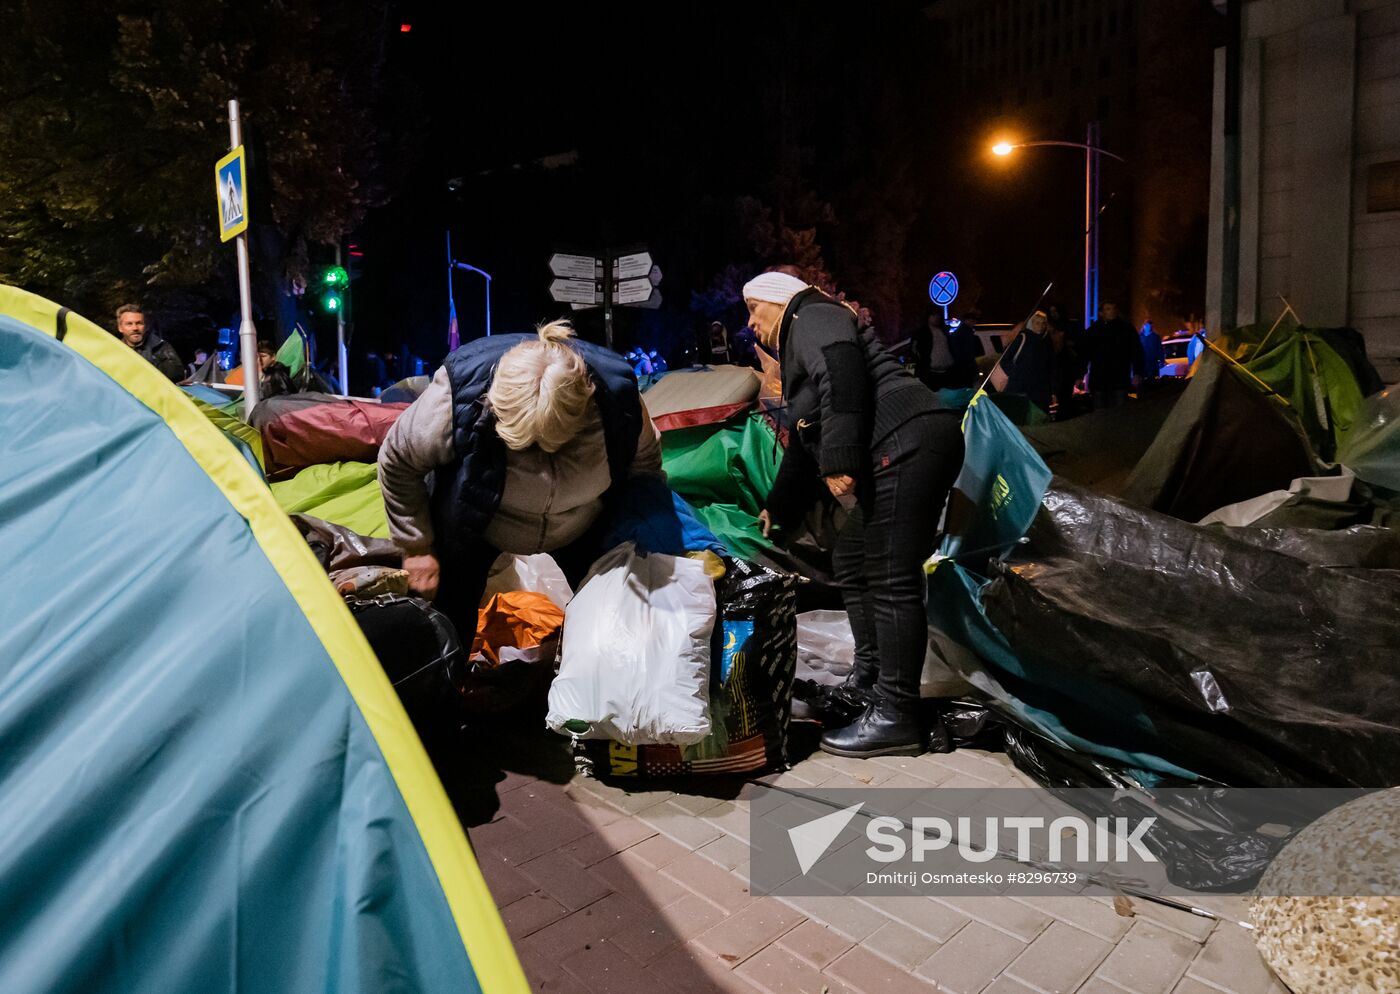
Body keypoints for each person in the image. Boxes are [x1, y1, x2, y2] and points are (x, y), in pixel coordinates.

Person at [747, 271, 964, 758]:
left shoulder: (812, 313)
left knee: (890, 575)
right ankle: (870, 680)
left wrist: (841, 457)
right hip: (908, 441)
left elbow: (842, 368)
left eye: (753, 309)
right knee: (852, 555)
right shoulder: (801, 350)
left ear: (778, 301)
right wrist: (777, 507)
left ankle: (897, 714)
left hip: (908, 438)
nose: (750, 323)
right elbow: (806, 446)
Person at [377, 320, 662, 638]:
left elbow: (646, 469)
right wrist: (416, 547)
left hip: (585, 524)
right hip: (473, 517)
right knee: (447, 619)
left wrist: (649, 542)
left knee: (616, 623)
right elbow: (397, 461)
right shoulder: (457, 396)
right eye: (525, 446)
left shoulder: (617, 399)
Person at [1082, 301, 1144, 409]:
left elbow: (1136, 351)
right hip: (1100, 379)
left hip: (1119, 378)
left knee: (1118, 411)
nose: (1112, 312)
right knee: (1101, 412)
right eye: (1108, 309)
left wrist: (1137, 372)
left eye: (1113, 308)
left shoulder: (1125, 328)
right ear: (1101, 313)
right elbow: (1085, 353)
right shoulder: (1094, 331)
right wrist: (1080, 374)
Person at [999, 309, 1056, 413]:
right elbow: (1004, 360)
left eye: (1043, 323)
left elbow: (1050, 367)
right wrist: (1017, 373)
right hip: (1021, 389)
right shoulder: (1022, 338)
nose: (1040, 326)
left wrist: (1051, 391)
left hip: (1040, 392)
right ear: (1031, 323)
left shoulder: (1046, 342)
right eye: (1037, 323)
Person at [114, 304, 185, 383]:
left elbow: (177, 375)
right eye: (129, 324)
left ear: (144, 325)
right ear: (120, 328)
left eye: (139, 323)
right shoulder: (114, 351)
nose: (135, 328)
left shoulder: (160, 347)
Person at [910, 308, 957, 390]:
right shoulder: (922, 332)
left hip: (947, 373)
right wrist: (923, 362)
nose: (936, 317)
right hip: (930, 374)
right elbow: (914, 349)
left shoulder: (944, 331)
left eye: (938, 315)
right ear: (928, 317)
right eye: (933, 315)